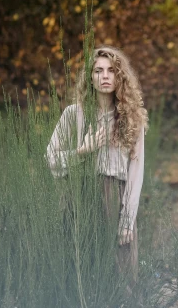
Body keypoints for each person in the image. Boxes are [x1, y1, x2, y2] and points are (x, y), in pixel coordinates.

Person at [46, 45, 148, 278]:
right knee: (80, 273)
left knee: (120, 276)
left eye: (111, 70)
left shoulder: (133, 119)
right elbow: (50, 159)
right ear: (90, 77)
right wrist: (82, 151)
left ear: (119, 76)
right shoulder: (74, 114)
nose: (104, 76)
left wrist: (127, 219)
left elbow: (136, 171)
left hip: (115, 198)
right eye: (98, 71)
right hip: (80, 200)